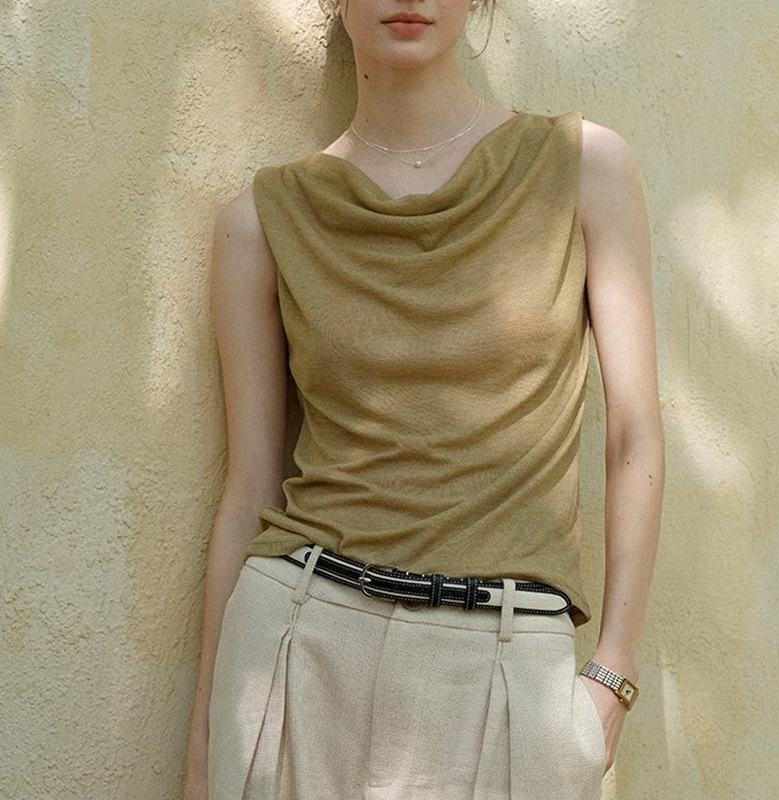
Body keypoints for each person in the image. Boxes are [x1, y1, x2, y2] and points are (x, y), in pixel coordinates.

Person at [182, 1, 665, 798]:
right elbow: (249, 489)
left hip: (507, 663)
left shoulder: (583, 168)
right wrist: (205, 748)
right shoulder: (260, 221)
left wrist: (614, 670)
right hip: (298, 644)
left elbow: (634, 435)